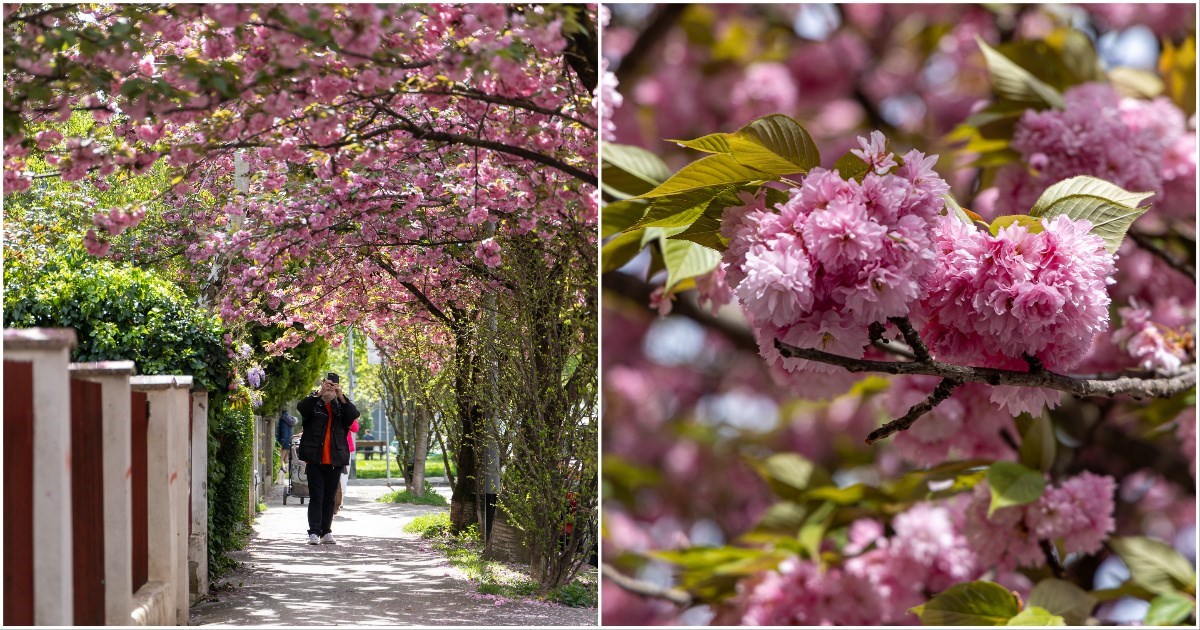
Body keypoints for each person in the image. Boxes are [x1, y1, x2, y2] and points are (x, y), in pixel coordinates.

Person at [296, 372, 359, 545]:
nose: (330, 388)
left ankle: (326, 531)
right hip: (315, 459)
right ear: (323, 384)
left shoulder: (342, 405)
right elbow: (302, 408)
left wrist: (341, 396)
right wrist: (320, 395)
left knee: (329, 498)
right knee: (316, 496)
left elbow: (353, 416)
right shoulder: (314, 402)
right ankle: (314, 532)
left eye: (334, 386)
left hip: (335, 459)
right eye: (328, 384)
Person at [334, 416, 359, 515]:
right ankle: (339, 501)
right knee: (343, 476)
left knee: (333, 475)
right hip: (345, 448)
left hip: (330, 447)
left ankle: (335, 502)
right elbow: (355, 428)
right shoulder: (346, 411)